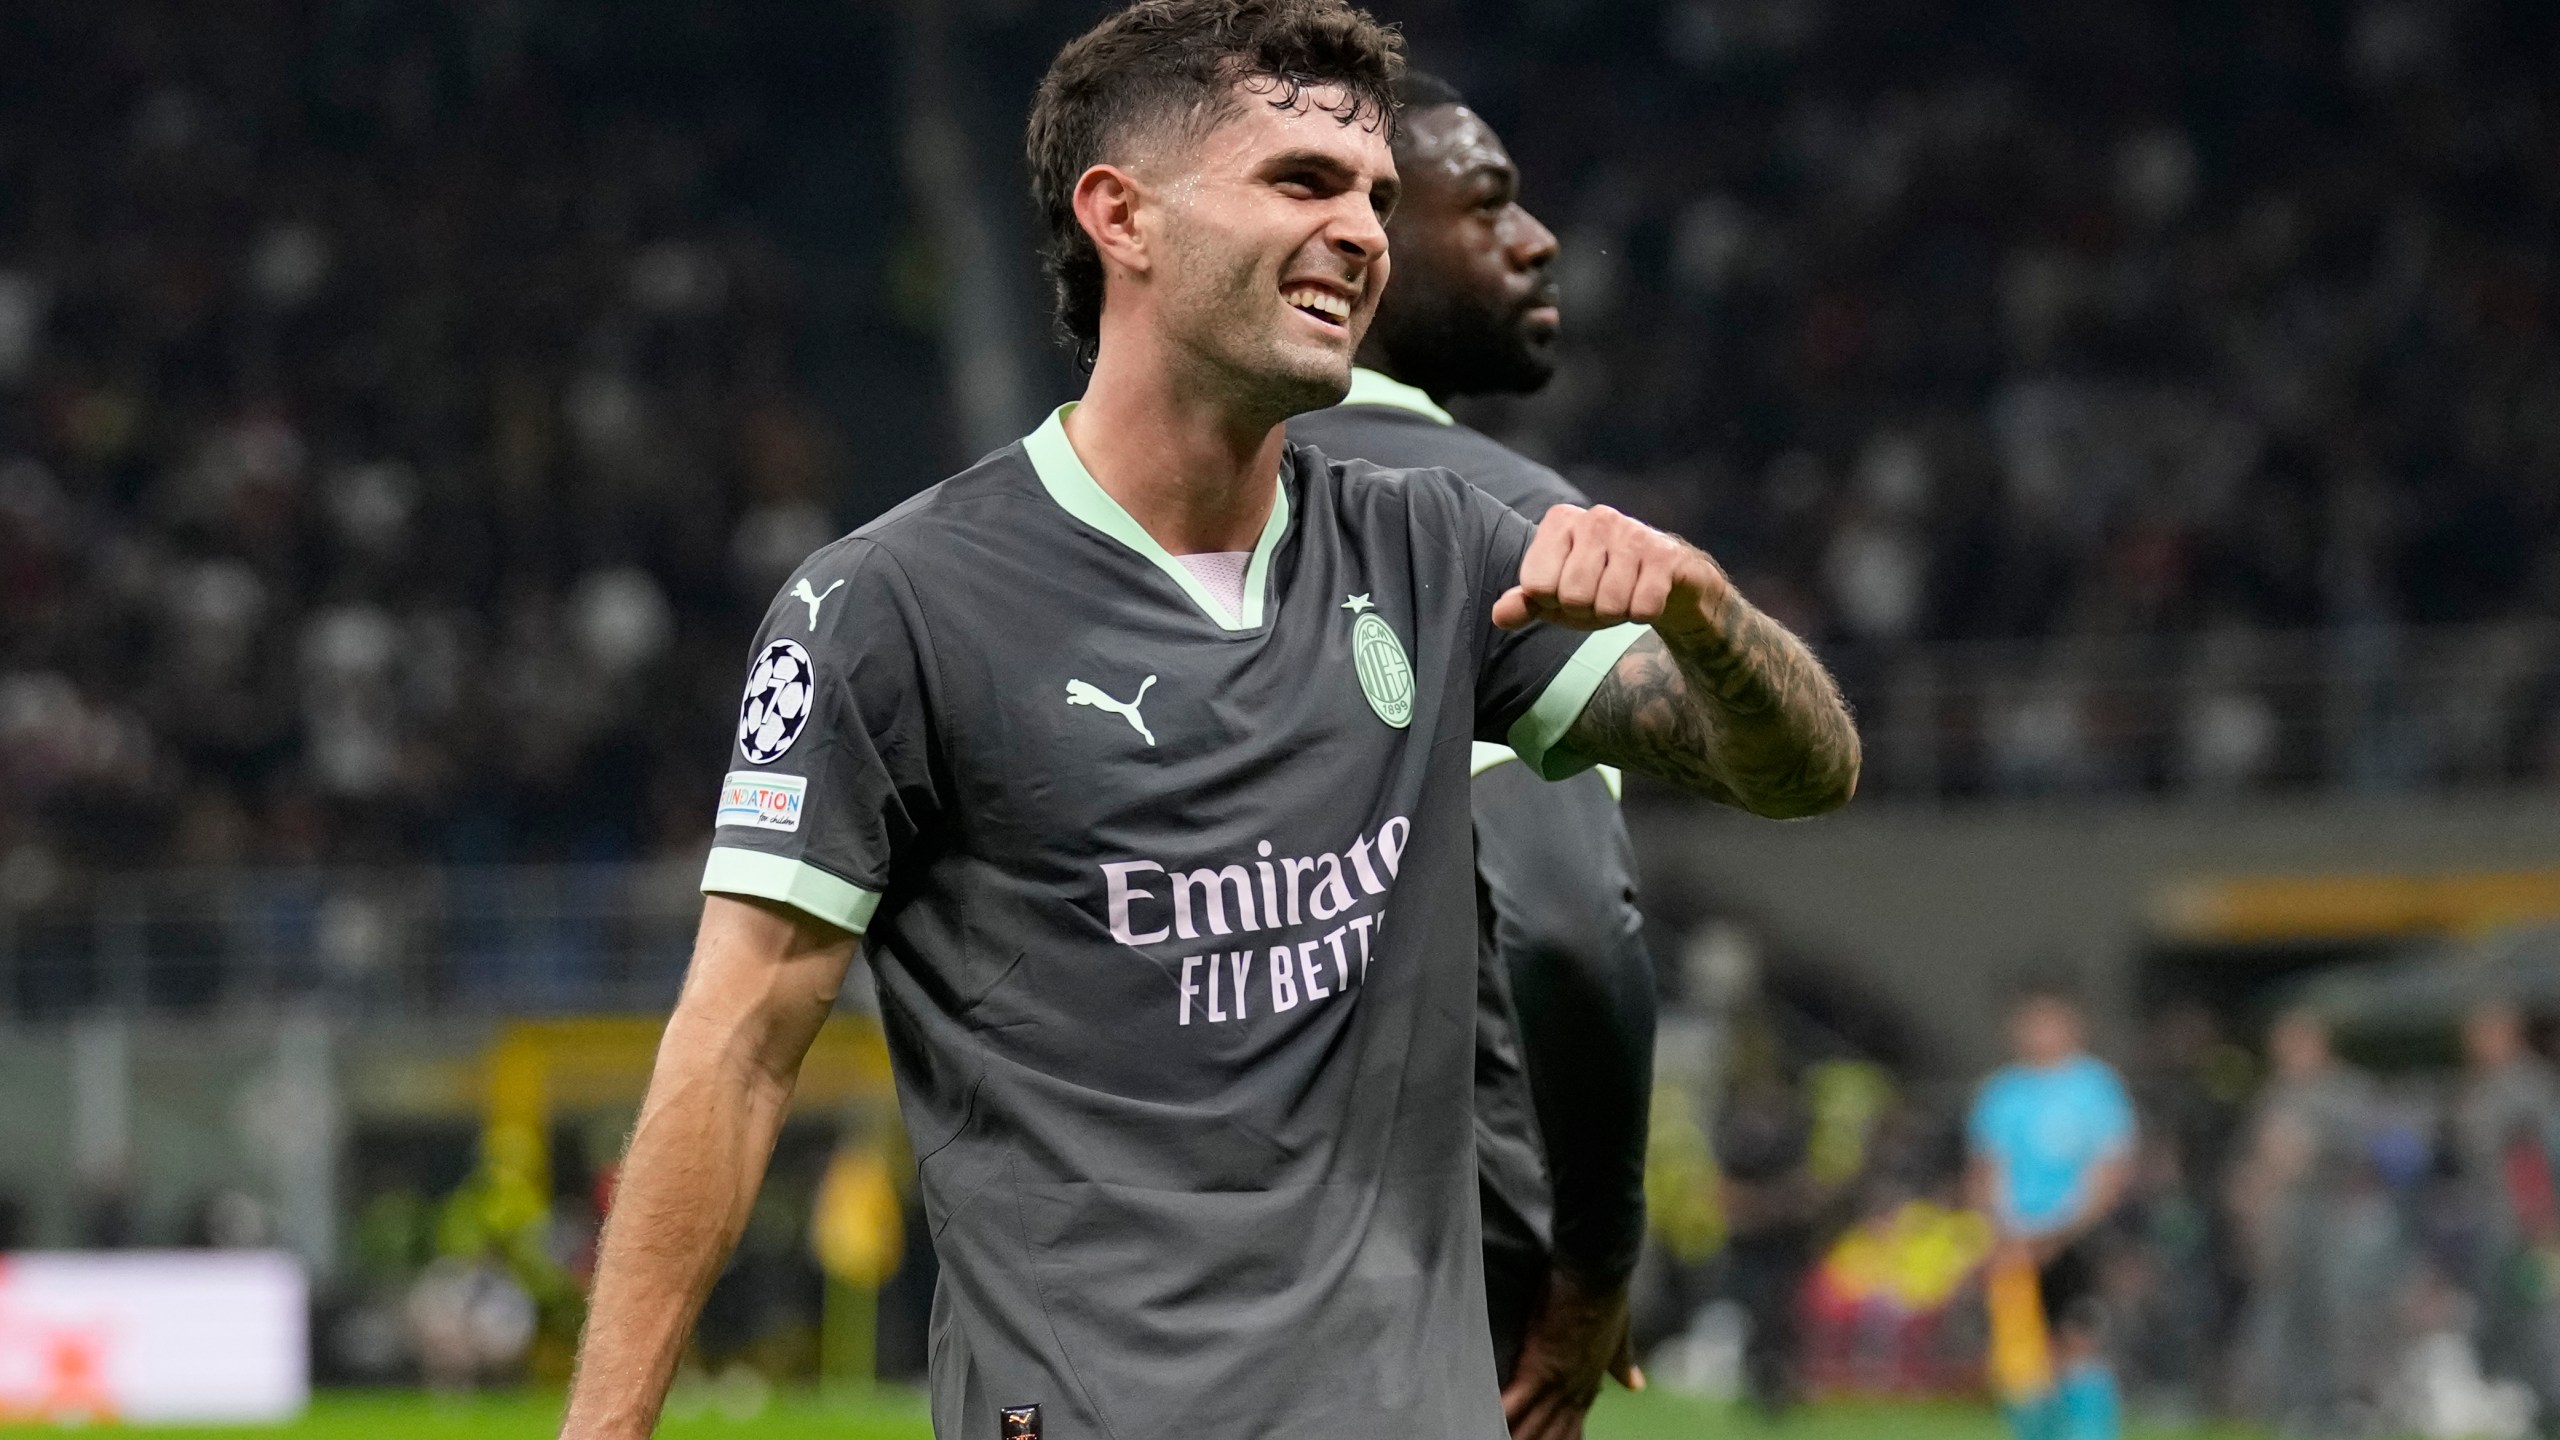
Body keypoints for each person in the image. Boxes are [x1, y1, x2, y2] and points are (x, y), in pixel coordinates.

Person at [558, 0, 1861, 1435]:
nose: (1364, 231)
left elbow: (1802, 775)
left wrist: (1712, 625)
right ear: (1120, 216)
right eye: (1301, 182)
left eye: (1372, 194)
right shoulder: (890, 605)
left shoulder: (1436, 548)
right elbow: (737, 1046)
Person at [1287, 70, 1654, 1440]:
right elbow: (1567, 923)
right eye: (1490, 200)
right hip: (1442, 1260)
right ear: (1363, 245)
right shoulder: (1493, 527)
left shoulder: (1162, 515)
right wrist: (1599, 1262)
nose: (1538, 237)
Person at [1967, 983, 2136, 1440]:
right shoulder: (2002, 1093)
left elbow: (2109, 1171)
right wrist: (2004, 1229)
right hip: (2015, 1239)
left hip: (2077, 1237)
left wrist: (2059, 1231)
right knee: (2020, 1353)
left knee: (2080, 1339)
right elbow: (1986, 1170)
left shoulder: (2096, 1087)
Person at [2225, 1008, 2389, 1432]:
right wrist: (2248, 1188)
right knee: (2284, 1310)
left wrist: (2314, 1152)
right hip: (2286, 1218)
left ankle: (2348, 1404)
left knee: (2338, 1311)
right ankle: (2290, 1404)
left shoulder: (2348, 1090)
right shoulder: (2276, 1093)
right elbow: (2255, 1156)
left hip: (2338, 1215)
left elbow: (2380, 1152)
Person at [2451, 1000, 2560, 1424]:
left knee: (2537, 1312)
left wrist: (2540, 1221)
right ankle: (2509, 1402)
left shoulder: (2527, 1085)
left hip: (2526, 1222)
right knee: (2494, 1313)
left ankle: (2547, 1405)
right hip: (2489, 1220)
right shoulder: (2478, 1086)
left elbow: (2530, 1155)